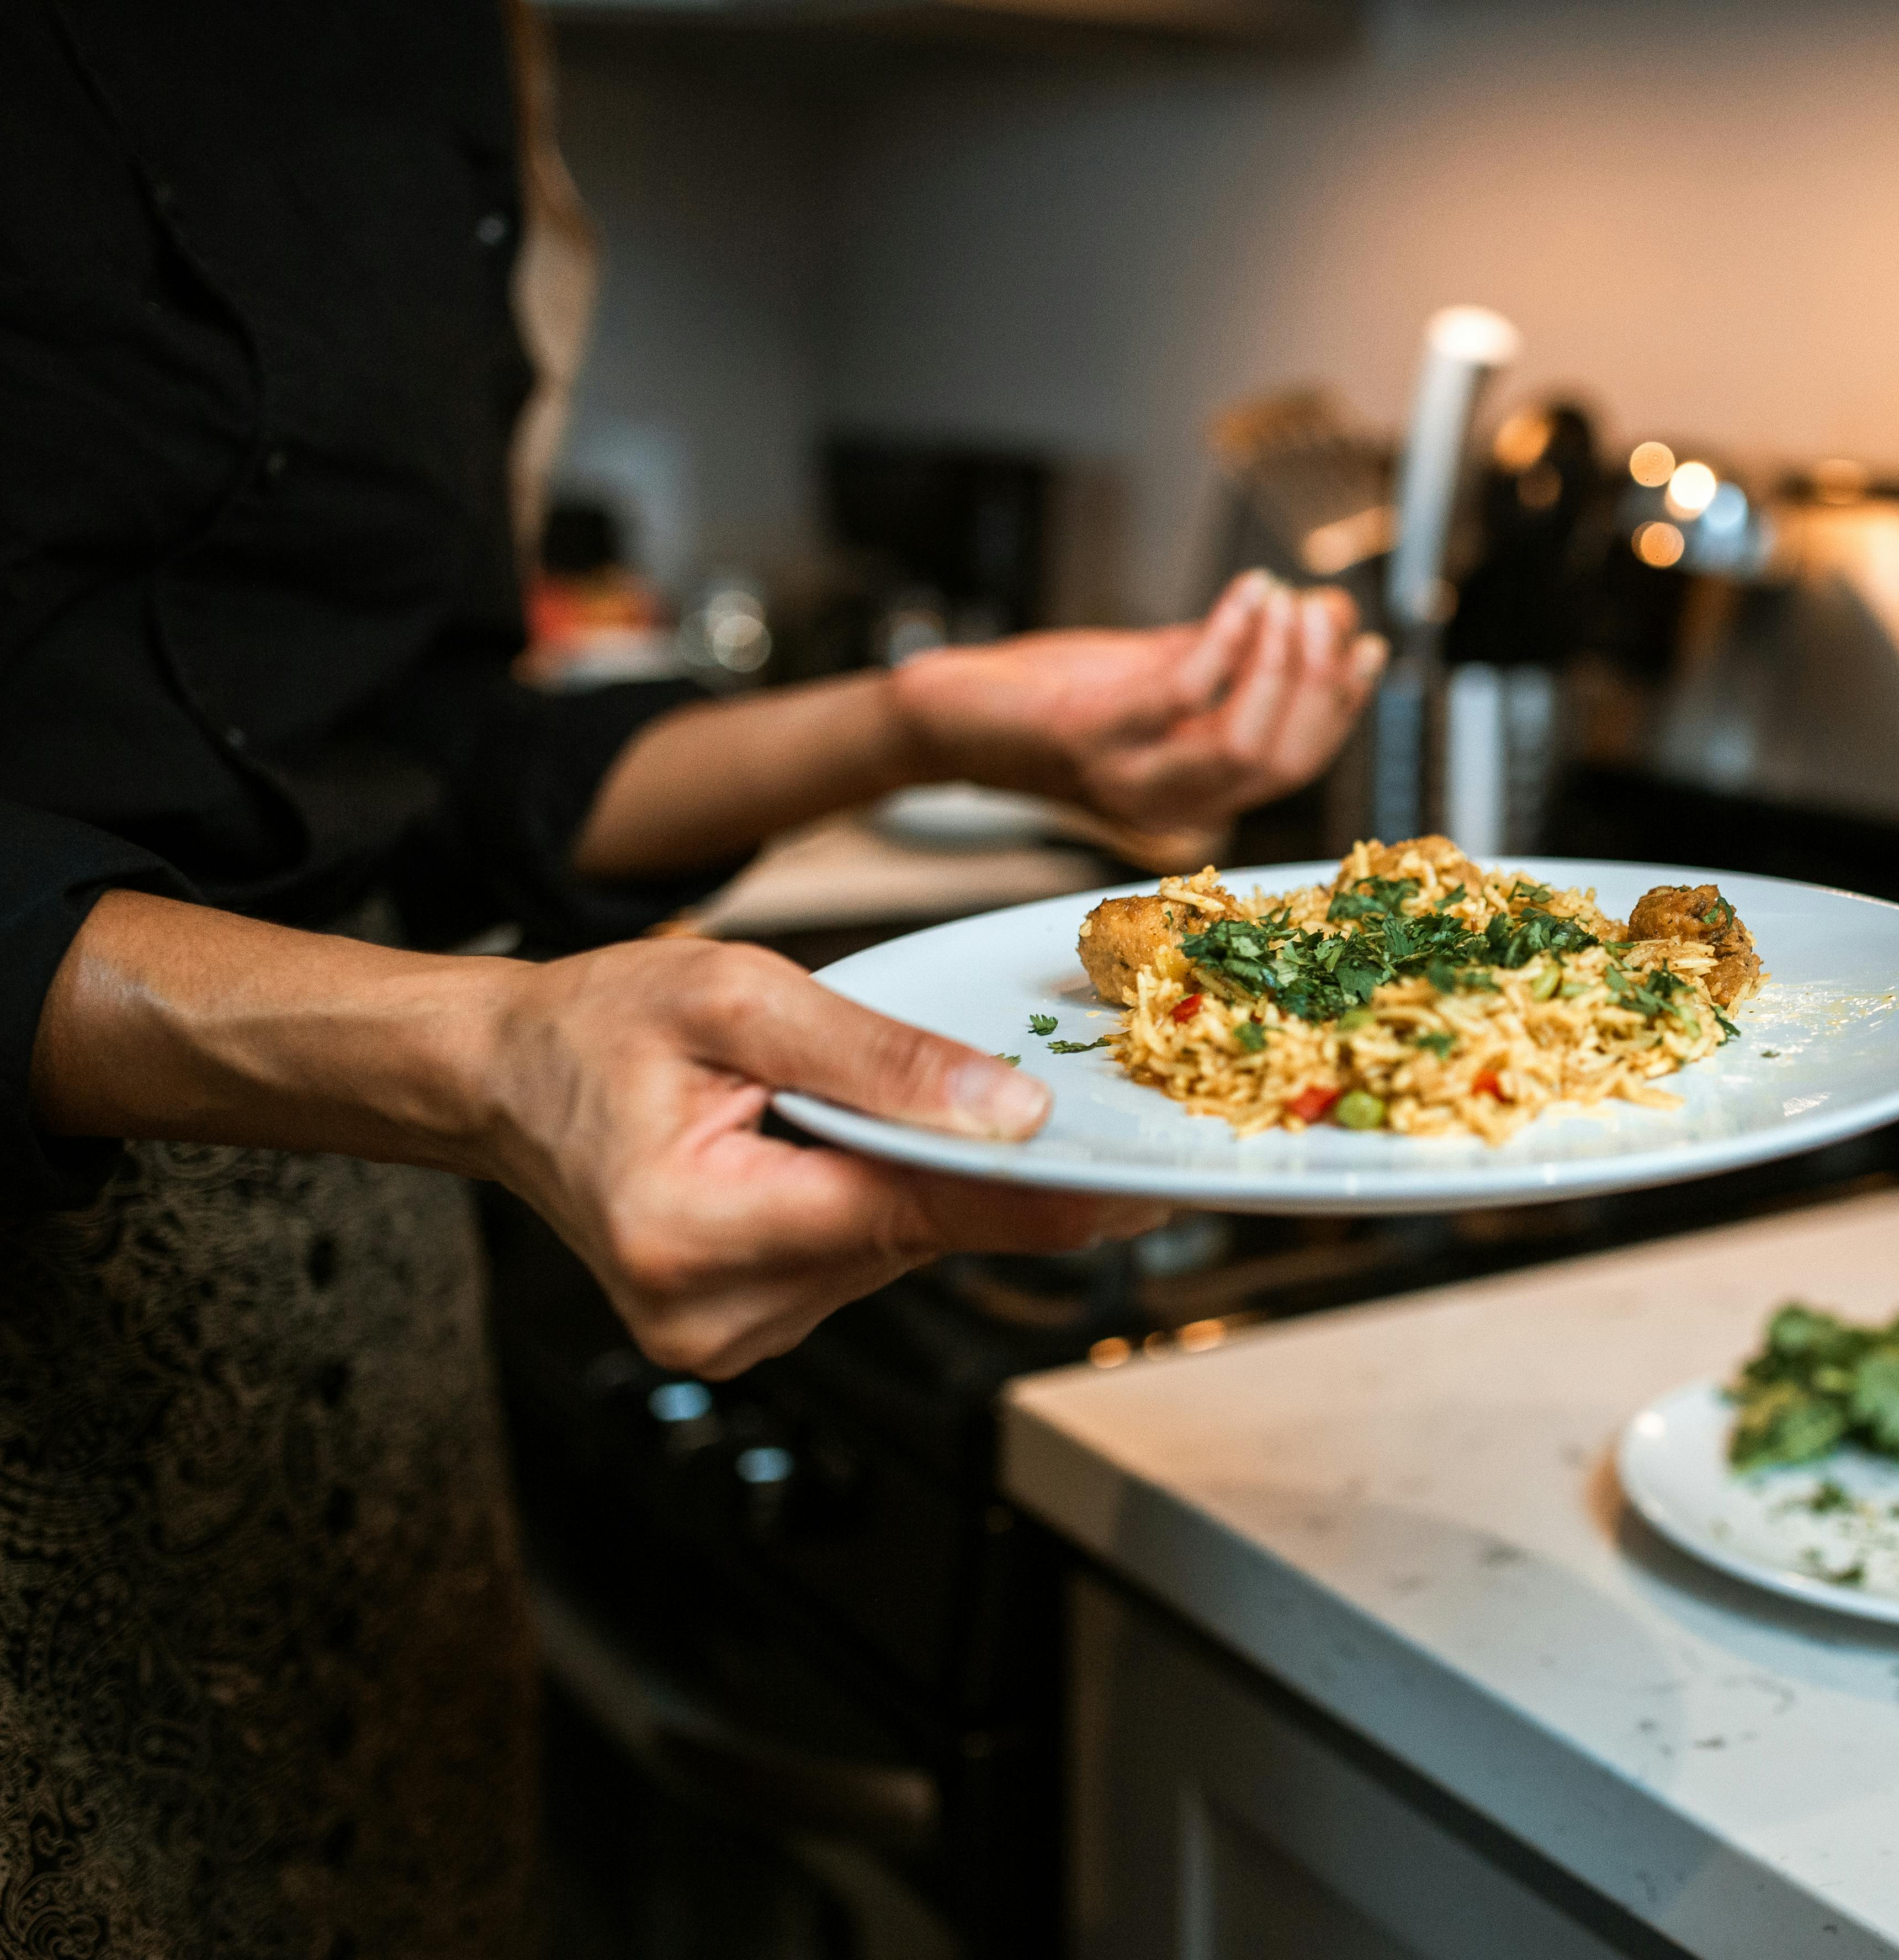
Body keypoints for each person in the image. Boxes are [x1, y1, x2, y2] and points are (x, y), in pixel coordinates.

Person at [0, 3, 1378, 1950]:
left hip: (362, 1311)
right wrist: (483, 1053)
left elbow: (434, 756)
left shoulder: (462, 47)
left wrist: (930, 723)